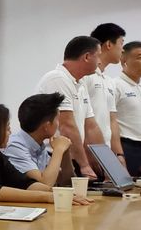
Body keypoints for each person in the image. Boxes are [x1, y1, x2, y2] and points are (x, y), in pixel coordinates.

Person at [0, 102, 90, 205]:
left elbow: (24, 182)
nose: (10, 133)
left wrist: (58, 193)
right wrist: (47, 196)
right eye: (7, 128)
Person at [35, 36, 105, 179]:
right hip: (53, 157)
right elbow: (67, 126)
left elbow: (91, 127)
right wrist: (84, 165)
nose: (100, 62)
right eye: (98, 56)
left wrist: (107, 165)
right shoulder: (57, 79)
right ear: (86, 57)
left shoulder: (81, 84)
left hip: (73, 157)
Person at [3, 93, 73, 187]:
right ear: (47, 126)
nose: (58, 124)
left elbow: (66, 183)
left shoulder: (39, 145)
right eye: (57, 119)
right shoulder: (14, 146)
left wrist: (65, 151)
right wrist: (59, 150)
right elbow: (45, 185)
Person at [84, 23, 126, 168]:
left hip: (105, 154)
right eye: (121, 43)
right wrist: (88, 158)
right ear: (108, 44)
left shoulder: (109, 81)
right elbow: (82, 121)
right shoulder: (86, 77)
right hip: (88, 155)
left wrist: (119, 155)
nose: (123, 49)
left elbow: (112, 121)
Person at [115, 41, 141, 177]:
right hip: (127, 146)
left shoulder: (138, 87)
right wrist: (119, 153)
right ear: (124, 60)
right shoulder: (115, 85)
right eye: (140, 57)